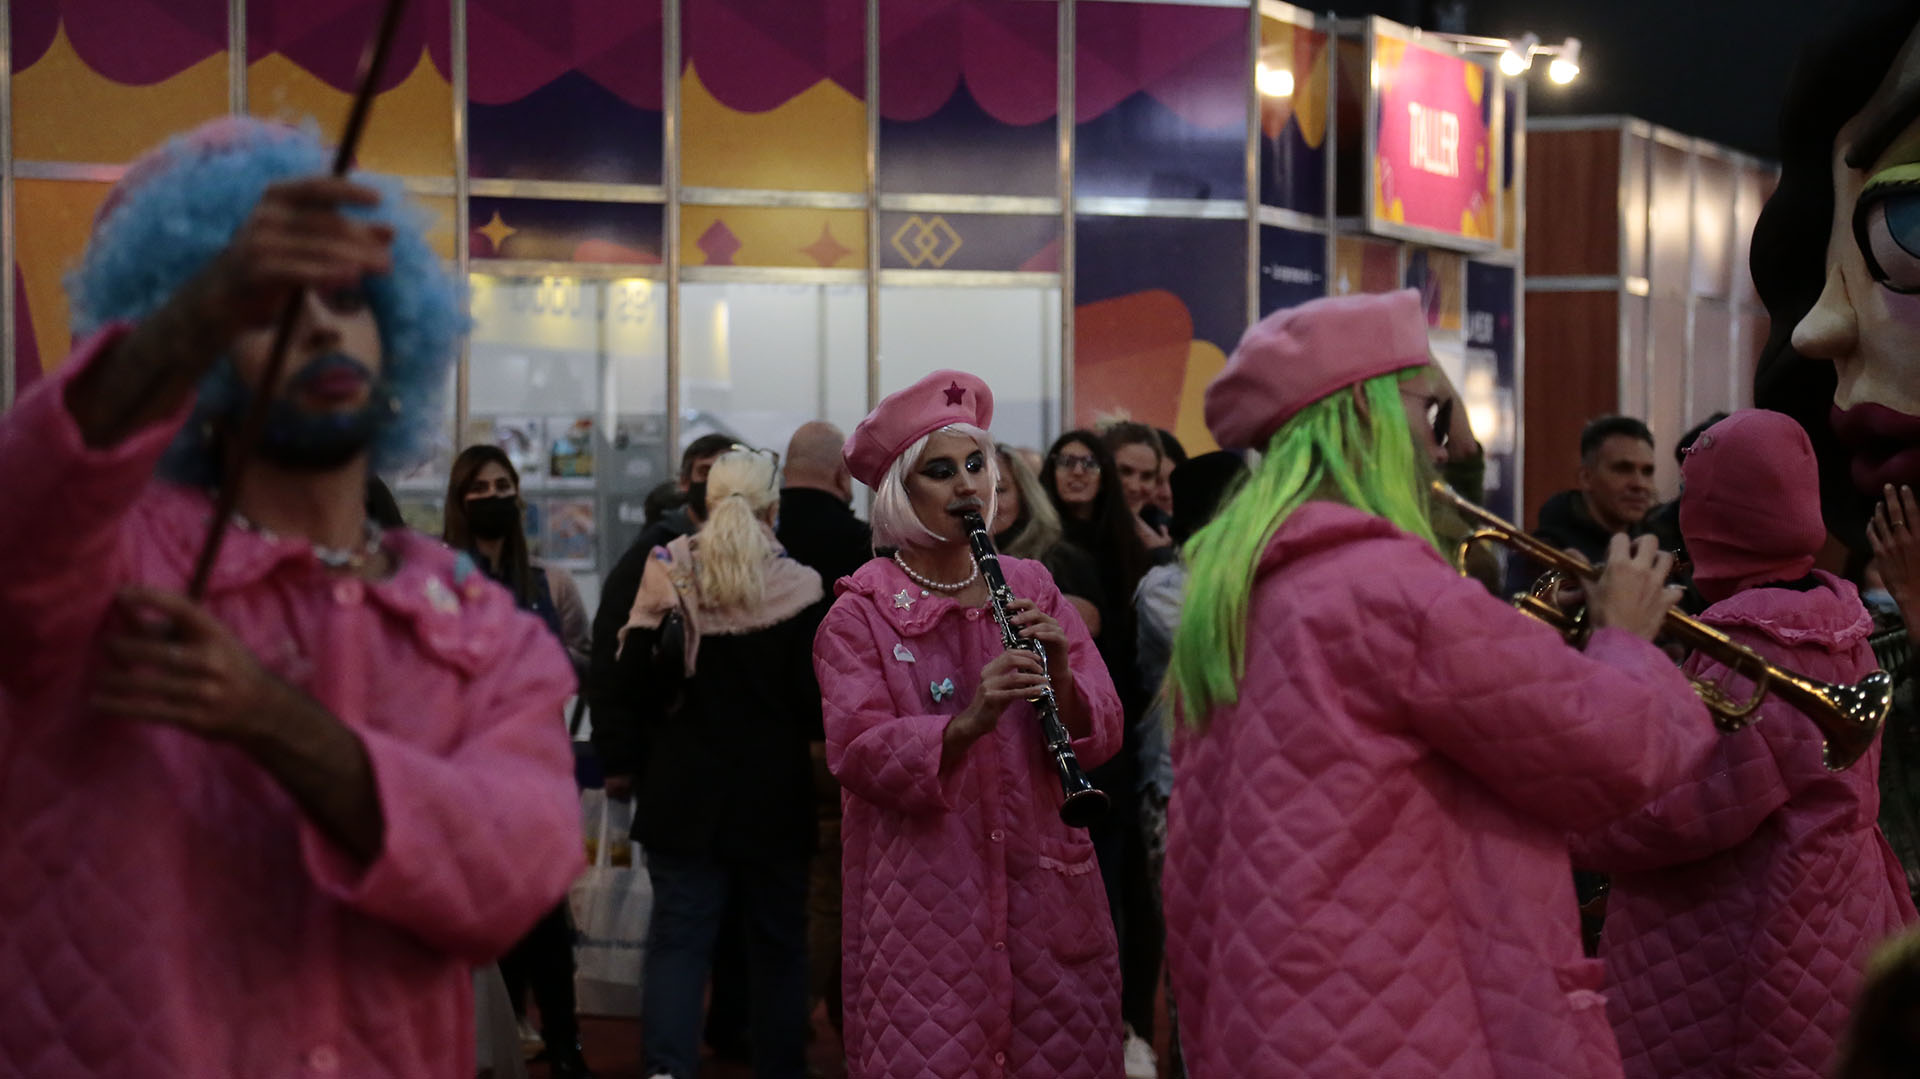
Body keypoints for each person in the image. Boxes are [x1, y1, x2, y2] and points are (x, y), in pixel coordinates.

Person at [0, 117, 582, 1077]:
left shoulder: (479, 625)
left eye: (348, 295)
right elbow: (24, 529)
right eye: (272, 307)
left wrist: (270, 719)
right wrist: (201, 311)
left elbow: (513, 876)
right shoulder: (104, 563)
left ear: (398, 331)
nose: (319, 322)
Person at [1162, 289, 1720, 1078]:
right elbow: (1613, 748)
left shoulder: (1238, 590)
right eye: (1431, 418)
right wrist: (1624, 637)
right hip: (1403, 1020)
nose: (1441, 448)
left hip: (1283, 1016)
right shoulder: (1388, 588)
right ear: (1370, 413)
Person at [1566, 410, 1916, 1079]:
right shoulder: (1839, 625)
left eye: (1693, 497)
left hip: (1740, 965)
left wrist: (1615, 663)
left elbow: (1654, 814)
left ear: (1715, 517)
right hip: (1827, 929)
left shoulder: (1753, 650)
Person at [813, 369, 1125, 1079]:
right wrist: (968, 720)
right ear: (901, 492)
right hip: (927, 913)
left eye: (977, 464)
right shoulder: (857, 615)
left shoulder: (1035, 588)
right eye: (940, 470)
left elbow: (1102, 731)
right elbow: (859, 752)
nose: (966, 486)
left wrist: (1062, 676)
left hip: (1046, 905)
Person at [593, 448, 824, 1079]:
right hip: (773, 798)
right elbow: (813, 706)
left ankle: (668, 1070)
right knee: (777, 948)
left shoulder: (668, 568)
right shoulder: (801, 586)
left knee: (678, 945)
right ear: (774, 510)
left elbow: (633, 678)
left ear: (704, 502)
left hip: (682, 795)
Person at [443, 444, 595, 1078]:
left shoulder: (548, 582)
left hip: (539, 772)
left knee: (548, 925)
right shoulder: (443, 579)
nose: (494, 496)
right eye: (480, 488)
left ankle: (564, 1047)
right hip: (468, 774)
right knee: (488, 921)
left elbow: (584, 658)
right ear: (460, 499)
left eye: (504, 484)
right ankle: (500, 1043)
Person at [1040, 427, 1161, 1074]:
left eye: (1090, 462)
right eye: (1067, 460)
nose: (1077, 472)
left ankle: (1123, 1025)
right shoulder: (1039, 546)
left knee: (1122, 891)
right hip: (1060, 731)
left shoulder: (1127, 547)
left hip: (1120, 730)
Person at [1132, 449, 1247, 1079]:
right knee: (1191, 964)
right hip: (1175, 797)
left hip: (1254, 795)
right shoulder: (1166, 588)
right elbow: (1233, 662)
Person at [775, 419, 873, 1039]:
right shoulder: (863, 545)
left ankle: (763, 1022)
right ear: (843, 475)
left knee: (772, 893)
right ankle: (819, 1024)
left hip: (761, 742)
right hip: (837, 740)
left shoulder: (754, 537)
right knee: (833, 894)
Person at [991, 442, 1105, 636]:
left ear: (1024, 495)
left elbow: (1088, 625)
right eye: (980, 488)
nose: (987, 499)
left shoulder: (1062, 559)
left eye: (1000, 490)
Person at [1532, 415, 1667, 567]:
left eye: (1647, 472)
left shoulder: (1662, 546)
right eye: (1623, 469)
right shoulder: (1543, 553)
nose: (1640, 484)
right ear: (1586, 478)